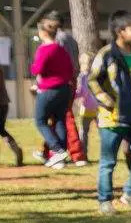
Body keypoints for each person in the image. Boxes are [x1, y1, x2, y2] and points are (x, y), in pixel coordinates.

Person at [88, 11, 131, 215]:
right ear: (120, 31)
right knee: (108, 162)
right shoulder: (107, 54)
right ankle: (105, 200)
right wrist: (107, 101)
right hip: (112, 118)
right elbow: (92, 80)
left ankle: (130, 193)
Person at [29, 16, 75, 169]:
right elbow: (70, 69)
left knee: (40, 121)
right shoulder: (61, 49)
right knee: (60, 120)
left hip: (48, 89)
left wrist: (33, 67)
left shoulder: (44, 49)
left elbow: (37, 69)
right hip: (64, 89)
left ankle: (57, 149)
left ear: (43, 32)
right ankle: (59, 159)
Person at [75, 52, 99, 161]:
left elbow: (81, 91)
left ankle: (83, 155)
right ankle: (106, 153)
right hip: (98, 107)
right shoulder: (96, 74)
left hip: (87, 107)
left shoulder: (82, 76)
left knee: (83, 132)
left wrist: (72, 96)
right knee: (103, 132)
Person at [0, 68, 23, 166]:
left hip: (1, 103)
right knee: (1, 130)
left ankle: (18, 151)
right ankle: (17, 151)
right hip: (3, 103)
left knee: (1, 130)